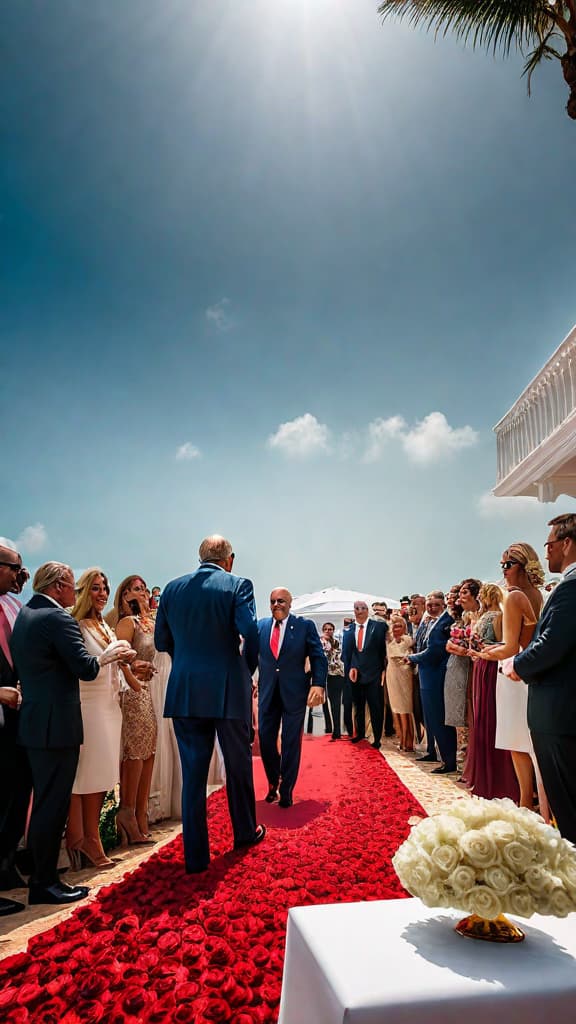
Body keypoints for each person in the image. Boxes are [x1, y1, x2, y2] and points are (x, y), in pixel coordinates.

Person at [10, 562, 134, 905]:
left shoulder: (25, 615)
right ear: (60, 586)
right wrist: (110, 654)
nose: (74, 593)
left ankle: (41, 878)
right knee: (52, 807)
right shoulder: (58, 619)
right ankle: (45, 882)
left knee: (42, 805)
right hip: (58, 726)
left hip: (33, 722)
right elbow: (85, 667)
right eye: (72, 587)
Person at [155, 535, 265, 872]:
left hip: (185, 689)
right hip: (228, 688)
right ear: (229, 559)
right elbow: (251, 633)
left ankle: (195, 856)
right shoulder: (237, 585)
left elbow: (161, 641)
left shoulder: (172, 589)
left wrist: (188, 663)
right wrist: (244, 669)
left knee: (193, 776)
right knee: (237, 765)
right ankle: (244, 833)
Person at [504, 514, 576, 843]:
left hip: (561, 714)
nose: (546, 553)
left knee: (569, 806)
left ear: (567, 544)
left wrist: (516, 664)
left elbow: (551, 644)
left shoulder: (570, 589)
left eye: (549, 544)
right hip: (562, 710)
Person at [66, 569, 144, 868]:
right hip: (89, 705)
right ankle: (84, 839)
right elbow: (81, 666)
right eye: (96, 588)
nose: (102, 593)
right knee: (86, 776)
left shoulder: (105, 625)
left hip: (111, 705)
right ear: (85, 591)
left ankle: (88, 836)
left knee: (102, 778)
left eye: (105, 588)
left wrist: (131, 665)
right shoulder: (76, 625)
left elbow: (116, 666)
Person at [472, 543, 548, 817]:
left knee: (519, 745)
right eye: (502, 565)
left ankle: (526, 803)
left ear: (523, 566)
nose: (503, 570)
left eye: (508, 564)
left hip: (515, 675)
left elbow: (510, 647)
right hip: (529, 672)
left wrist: (482, 652)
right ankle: (533, 803)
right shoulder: (537, 594)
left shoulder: (514, 597)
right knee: (528, 745)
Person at [255, 588, 327, 807]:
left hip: (294, 693)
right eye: (272, 601)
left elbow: (318, 657)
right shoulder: (261, 626)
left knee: (290, 742)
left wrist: (318, 684)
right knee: (266, 741)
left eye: (281, 601)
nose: (276, 604)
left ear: (290, 603)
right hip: (267, 693)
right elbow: (250, 656)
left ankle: (286, 789)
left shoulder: (305, 626)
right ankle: (272, 781)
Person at [112, 575, 159, 844]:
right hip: (132, 692)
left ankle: (141, 814)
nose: (142, 593)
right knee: (136, 752)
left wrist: (146, 611)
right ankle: (127, 811)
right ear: (126, 594)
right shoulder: (126, 623)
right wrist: (135, 668)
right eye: (136, 590)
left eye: (144, 588)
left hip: (148, 690)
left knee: (149, 751)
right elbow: (120, 659)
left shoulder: (148, 622)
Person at [464, 584, 518, 801]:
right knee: (483, 716)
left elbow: (503, 642)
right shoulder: (486, 615)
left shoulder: (496, 617)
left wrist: (483, 651)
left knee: (489, 716)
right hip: (481, 664)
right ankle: (483, 774)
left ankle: (494, 776)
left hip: (489, 666)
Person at [0, 545, 31, 915]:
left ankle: (5, 868)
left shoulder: (14, 605)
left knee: (15, 793)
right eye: (14, 568)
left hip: (17, 720)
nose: (20, 575)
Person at [408, 591, 456, 773]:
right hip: (425, 675)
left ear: (443, 605)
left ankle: (449, 760)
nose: (432, 608)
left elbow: (435, 651)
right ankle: (432, 751)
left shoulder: (445, 622)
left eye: (436, 605)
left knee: (439, 717)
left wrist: (412, 658)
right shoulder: (427, 621)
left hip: (437, 675)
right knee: (429, 717)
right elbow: (419, 642)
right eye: (429, 605)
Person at [444, 580, 480, 771]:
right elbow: (448, 645)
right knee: (458, 714)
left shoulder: (478, 617)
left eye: (464, 593)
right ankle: (463, 761)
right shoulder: (462, 618)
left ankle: (468, 763)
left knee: (468, 713)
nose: (458, 598)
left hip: (471, 667)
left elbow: (464, 645)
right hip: (457, 667)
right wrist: (458, 648)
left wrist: (461, 650)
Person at [342, 600, 387, 750]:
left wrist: (383, 670)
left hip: (374, 673)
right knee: (358, 706)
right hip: (355, 674)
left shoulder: (379, 627)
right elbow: (347, 653)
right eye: (356, 608)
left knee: (376, 707)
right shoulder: (349, 630)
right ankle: (360, 733)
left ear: (368, 610)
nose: (359, 611)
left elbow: (383, 651)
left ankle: (377, 738)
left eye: (362, 608)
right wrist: (351, 668)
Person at [385, 616, 414, 751]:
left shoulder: (407, 640)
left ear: (404, 627)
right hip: (391, 674)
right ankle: (400, 738)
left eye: (399, 626)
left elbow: (400, 653)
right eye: (394, 626)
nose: (396, 628)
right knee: (395, 706)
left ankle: (408, 741)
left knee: (405, 707)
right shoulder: (388, 641)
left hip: (404, 674)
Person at [320, 622, 345, 741]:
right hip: (324, 675)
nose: (328, 631)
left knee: (336, 703)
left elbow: (339, 658)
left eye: (330, 629)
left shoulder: (337, 642)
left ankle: (337, 730)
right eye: (325, 629)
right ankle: (328, 727)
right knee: (325, 703)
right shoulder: (320, 642)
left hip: (337, 675)